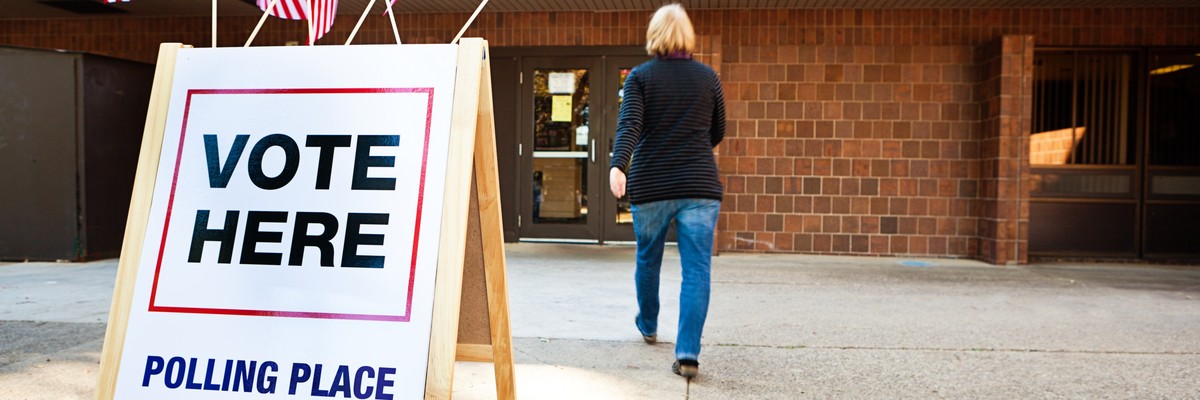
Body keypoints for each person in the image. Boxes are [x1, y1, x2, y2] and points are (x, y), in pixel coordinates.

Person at [608, 3, 725, 380]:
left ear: (654, 34)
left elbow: (630, 126)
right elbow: (717, 132)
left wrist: (618, 165)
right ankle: (688, 353)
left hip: (652, 183)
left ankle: (648, 324)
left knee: (648, 259)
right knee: (697, 270)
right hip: (699, 185)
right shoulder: (708, 78)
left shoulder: (641, 77)